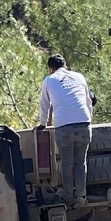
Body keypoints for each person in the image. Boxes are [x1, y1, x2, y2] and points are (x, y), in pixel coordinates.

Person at [37, 54, 93, 207]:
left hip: (64, 126)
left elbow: (45, 105)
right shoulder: (79, 77)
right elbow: (88, 101)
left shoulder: (49, 80)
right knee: (80, 163)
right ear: (65, 64)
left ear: (50, 69)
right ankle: (81, 196)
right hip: (83, 123)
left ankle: (68, 197)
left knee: (67, 163)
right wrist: (88, 121)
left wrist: (42, 124)